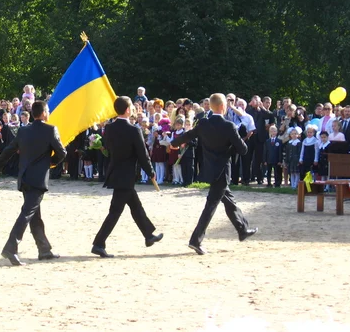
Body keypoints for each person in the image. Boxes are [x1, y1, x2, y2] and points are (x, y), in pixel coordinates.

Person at [171, 93, 257, 255]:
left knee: (229, 201)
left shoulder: (203, 123)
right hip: (223, 171)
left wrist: (173, 143)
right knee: (210, 206)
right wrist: (242, 138)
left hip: (210, 168)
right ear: (223, 107)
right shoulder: (229, 126)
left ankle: (242, 229)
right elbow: (243, 150)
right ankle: (195, 240)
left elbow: (188, 135)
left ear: (210, 106)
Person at [0, 100, 67, 266]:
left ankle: (44, 250)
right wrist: (50, 162)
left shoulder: (24, 131)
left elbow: (9, 150)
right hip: (38, 179)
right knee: (27, 213)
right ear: (44, 112)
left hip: (24, 177)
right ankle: (11, 247)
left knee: (34, 214)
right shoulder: (50, 130)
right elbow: (62, 152)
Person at [91, 96, 163, 258]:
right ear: (128, 110)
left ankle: (148, 235)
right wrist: (150, 171)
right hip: (126, 174)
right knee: (115, 211)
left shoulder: (109, 128)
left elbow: (108, 149)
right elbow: (142, 154)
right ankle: (98, 243)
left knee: (135, 206)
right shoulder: (133, 130)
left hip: (117, 172)